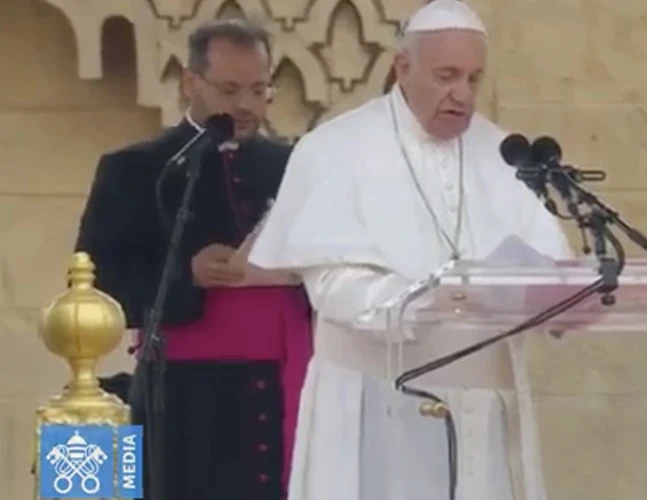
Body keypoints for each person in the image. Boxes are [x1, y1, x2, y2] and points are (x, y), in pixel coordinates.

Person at [249, 1, 572, 499]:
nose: (462, 95)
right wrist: (422, 301)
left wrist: (562, 299)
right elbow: (330, 284)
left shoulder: (505, 152)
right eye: (446, 75)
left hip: (484, 404)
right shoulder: (335, 148)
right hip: (377, 398)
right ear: (402, 67)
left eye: (473, 78)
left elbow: (551, 268)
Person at [74, 19, 313, 500]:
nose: (245, 105)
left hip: (288, 379)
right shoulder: (136, 167)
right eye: (229, 89)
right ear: (189, 82)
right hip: (187, 393)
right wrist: (187, 274)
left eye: (259, 88)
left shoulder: (296, 164)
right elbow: (96, 282)